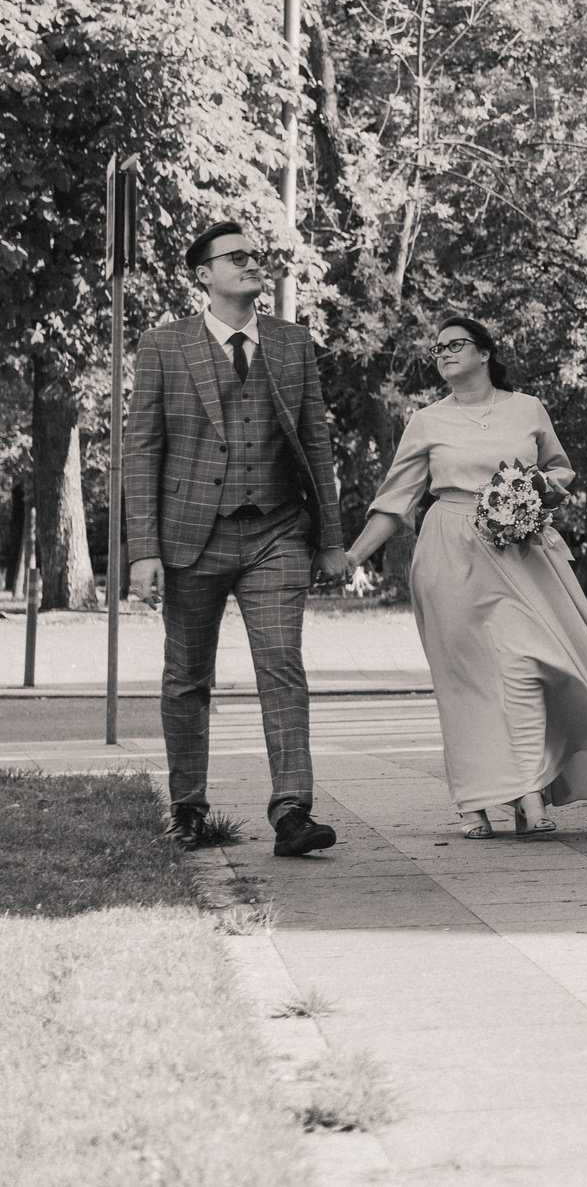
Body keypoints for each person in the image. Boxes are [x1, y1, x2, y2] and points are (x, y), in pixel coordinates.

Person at [342, 317, 587, 838]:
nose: (443, 354)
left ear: (484, 353)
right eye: (437, 349)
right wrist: (351, 558)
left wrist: (539, 488)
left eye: (455, 345)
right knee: (467, 687)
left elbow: (560, 468)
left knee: (528, 668)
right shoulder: (426, 421)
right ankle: (474, 802)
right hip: (450, 555)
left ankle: (530, 793)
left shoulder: (527, 408)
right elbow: (395, 504)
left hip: (520, 551)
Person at [125, 221, 350, 856]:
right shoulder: (164, 345)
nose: (255, 265)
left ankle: (292, 812)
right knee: (186, 678)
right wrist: (143, 550)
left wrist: (330, 539)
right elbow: (141, 451)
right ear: (203, 273)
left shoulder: (291, 341)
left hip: (278, 532)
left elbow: (316, 443)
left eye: (258, 256)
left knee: (282, 668)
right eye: (238, 257)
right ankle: (188, 809)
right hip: (192, 536)